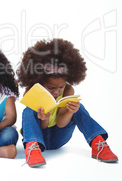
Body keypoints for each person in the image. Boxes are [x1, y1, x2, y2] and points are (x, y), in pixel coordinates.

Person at [16, 38, 118, 167]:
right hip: (38, 136)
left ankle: (98, 143)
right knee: (28, 111)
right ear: (39, 80)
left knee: (77, 107)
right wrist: (44, 118)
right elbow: (40, 126)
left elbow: (60, 123)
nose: (57, 92)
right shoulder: (33, 91)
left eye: (60, 86)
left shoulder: (68, 90)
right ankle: (32, 148)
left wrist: (70, 112)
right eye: (51, 88)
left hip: (58, 137)